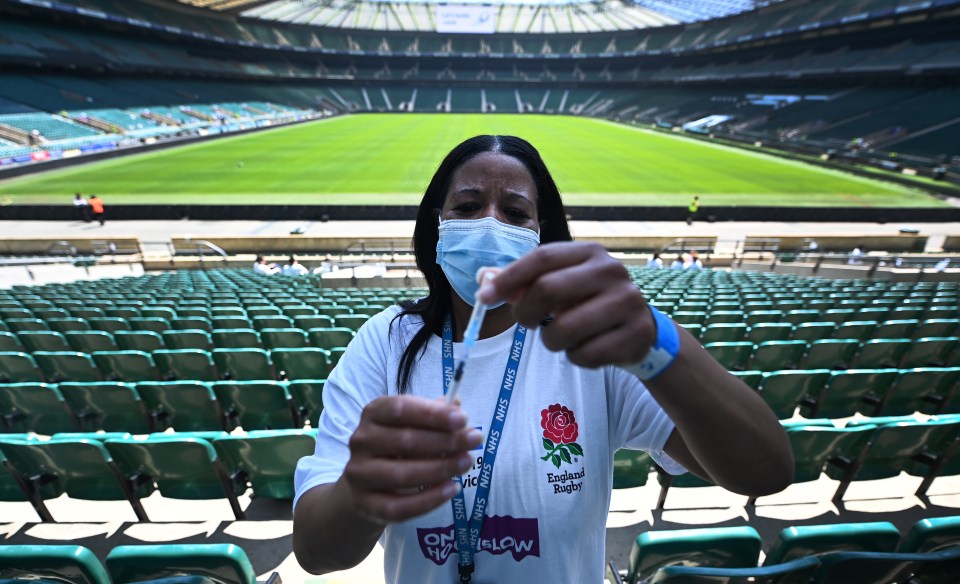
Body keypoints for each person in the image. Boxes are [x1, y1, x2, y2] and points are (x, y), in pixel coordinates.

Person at [292, 135, 792, 583]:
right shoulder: (386, 342)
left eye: (515, 213)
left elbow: (765, 471)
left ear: (541, 232)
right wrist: (361, 489)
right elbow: (316, 553)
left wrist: (659, 340)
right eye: (467, 206)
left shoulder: (591, 344)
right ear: (436, 223)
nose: (490, 225)